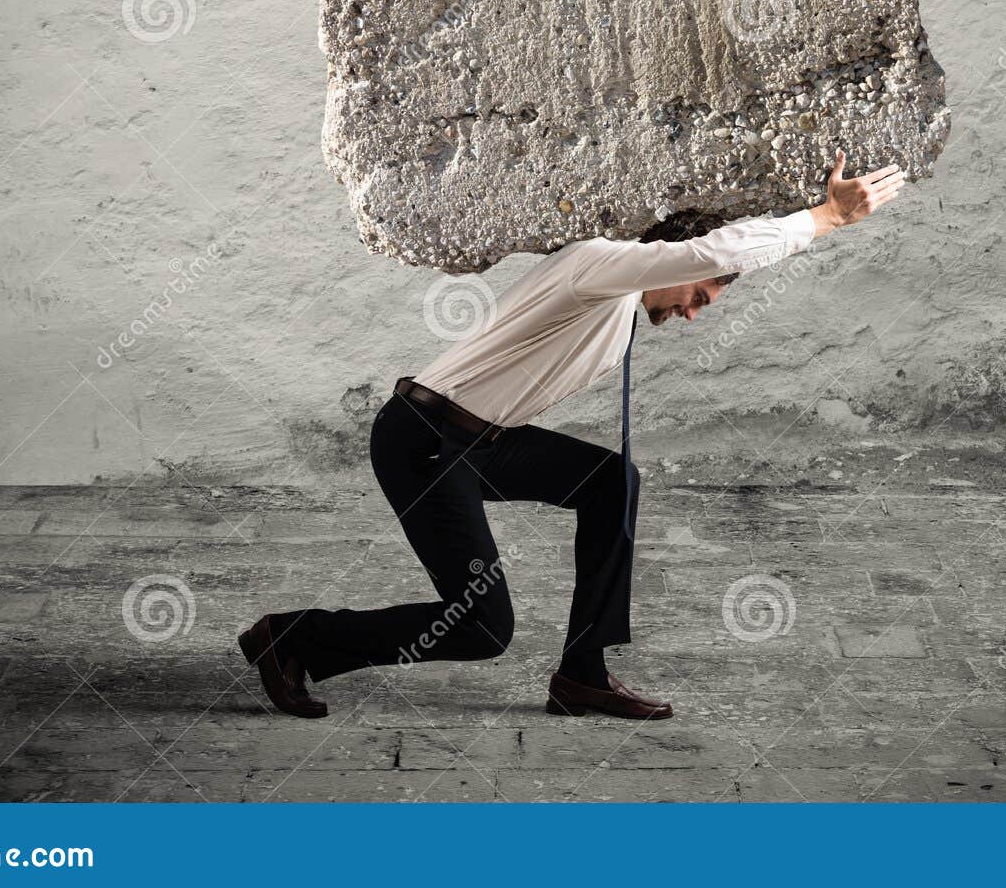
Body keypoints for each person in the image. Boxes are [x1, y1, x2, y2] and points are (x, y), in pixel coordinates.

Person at [239, 149, 908, 720]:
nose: (694, 314)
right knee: (482, 626)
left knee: (610, 479)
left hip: (482, 441)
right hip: (425, 441)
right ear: (670, 263)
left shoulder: (618, 310)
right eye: (699, 296)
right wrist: (823, 219)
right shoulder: (600, 265)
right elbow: (708, 250)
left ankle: (582, 671)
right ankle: (293, 637)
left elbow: (699, 261)